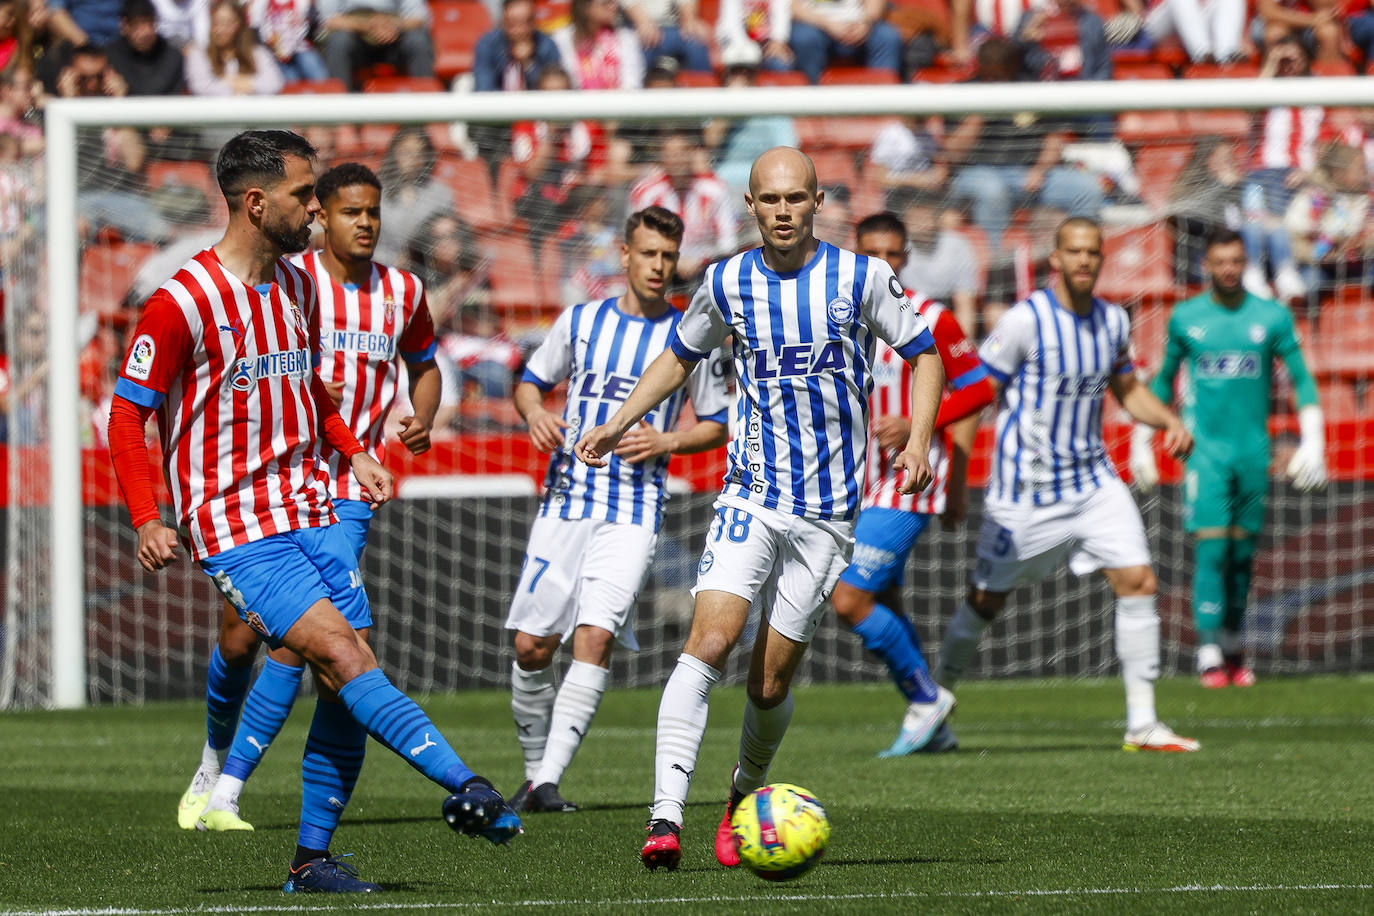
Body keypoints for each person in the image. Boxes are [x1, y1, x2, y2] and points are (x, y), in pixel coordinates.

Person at [107, 130, 519, 892]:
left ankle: (311, 859)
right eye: (305, 195)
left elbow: (309, 393)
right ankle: (468, 785)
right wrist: (146, 516)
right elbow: (126, 418)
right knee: (343, 654)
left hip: (313, 503)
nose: (316, 210)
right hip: (235, 523)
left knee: (340, 678)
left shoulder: (296, 288)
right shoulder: (182, 303)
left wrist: (350, 446)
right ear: (258, 203)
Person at [574, 146, 945, 871]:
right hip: (752, 492)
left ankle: (745, 794)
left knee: (770, 680)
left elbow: (925, 353)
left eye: (795, 199)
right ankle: (664, 817)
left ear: (818, 201)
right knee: (708, 642)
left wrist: (921, 440)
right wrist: (620, 421)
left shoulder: (862, 277)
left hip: (830, 513)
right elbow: (680, 356)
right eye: (769, 200)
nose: (782, 211)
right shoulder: (727, 281)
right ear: (749, 205)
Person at [185, 160, 446, 832]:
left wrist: (421, 417)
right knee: (241, 642)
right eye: (351, 212)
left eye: (374, 212)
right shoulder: (289, 281)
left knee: (315, 642)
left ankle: (229, 793)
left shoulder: (403, 292)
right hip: (269, 485)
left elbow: (425, 365)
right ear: (321, 216)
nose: (366, 224)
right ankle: (212, 761)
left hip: (345, 489)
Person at [933, 216, 1201, 754]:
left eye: (1092, 253)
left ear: (1100, 260)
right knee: (984, 602)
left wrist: (1167, 419)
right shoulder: (1024, 322)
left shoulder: (1111, 321)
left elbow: (1126, 389)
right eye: (1073, 252)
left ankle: (1143, 723)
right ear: (1054, 259)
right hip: (1026, 492)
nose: (1083, 261)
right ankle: (930, 705)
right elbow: (975, 397)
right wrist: (956, 479)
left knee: (1139, 581)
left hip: (1094, 482)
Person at [506, 205, 729, 814]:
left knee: (596, 636)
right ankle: (532, 773)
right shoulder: (581, 322)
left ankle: (549, 780)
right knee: (531, 645)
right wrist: (535, 413)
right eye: (648, 254)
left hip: (634, 508)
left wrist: (667, 441)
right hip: (565, 502)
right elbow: (529, 380)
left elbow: (717, 424)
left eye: (667, 256)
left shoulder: (690, 337)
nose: (659, 266)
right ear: (624, 256)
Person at [830, 212, 996, 757]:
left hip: (909, 480)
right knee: (888, 600)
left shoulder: (930, 316)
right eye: (872, 252)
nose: (884, 263)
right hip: (855, 481)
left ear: (907, 257)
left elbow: (978, 388)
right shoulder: (838, 315)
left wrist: (917, 427)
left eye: (894, 254)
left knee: (850, 597)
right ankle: (935, 726)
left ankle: (928, 698)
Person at [1132, 228, 1325, 688]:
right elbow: (1161, 384)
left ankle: (1235, 645)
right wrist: (1141, 439)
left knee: (1242, 556)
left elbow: (1301, 378)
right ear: (1207, 265)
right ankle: (1208, 653)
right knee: (1213, 549)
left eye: (1236, 261)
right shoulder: (1187, 318)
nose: (1229, 269)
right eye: (1220, 262)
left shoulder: (1271, 317)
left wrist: (1314, 440)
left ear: (1245, 262)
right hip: (1205, 452)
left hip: (1252, 452)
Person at [628, 127, 737, 282]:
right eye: (671, 153)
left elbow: (728, 242)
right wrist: (673, 260)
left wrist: (701, 260)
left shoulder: (715, 190)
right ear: (661, 156)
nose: (677, 159)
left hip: (707, 269)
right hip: (660, 268)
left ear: (693, 153)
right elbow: (638, 241)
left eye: (682, 152)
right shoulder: (646, 193)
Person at [317, 0, 434, 91]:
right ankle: (340, 114)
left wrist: (393, 25)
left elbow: (419, 17)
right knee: (339, 41)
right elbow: (329, 20)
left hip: (394, 33)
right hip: (355, 33)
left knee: (418, 41)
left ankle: (427, 110)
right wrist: (369, 26)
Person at [183, 0, 285, 96]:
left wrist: (236, 81)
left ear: (239, 25)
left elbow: (274, 83)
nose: (219, 30)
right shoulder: (198, 55)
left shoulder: (258, 53)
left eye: (227, 24)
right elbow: (201, 87)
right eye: (215, 23)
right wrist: (241, 87)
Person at [788, 0, 902, 84]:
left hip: (859, 23)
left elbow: (875, 3)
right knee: (805, 38)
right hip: (816, 24)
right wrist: (828, 25)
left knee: (887, 36)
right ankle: (810, 103)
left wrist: (866, 23)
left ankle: (882, 104)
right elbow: (793, 6)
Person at [551, 0, 644, 90]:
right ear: (585, 7)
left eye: (615, 2)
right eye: (607, 3)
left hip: (619, 102)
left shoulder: (625, 37)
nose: (614, 6)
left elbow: (631, 83)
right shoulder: (563, 39)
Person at [472, 0, 561, 91]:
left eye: (527, 22)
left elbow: (552, 90)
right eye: (513, 24)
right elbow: (484, 89)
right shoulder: (488, 44)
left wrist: (528, 65)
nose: (520, 30)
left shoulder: (546, 45)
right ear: (503, 22)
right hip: (497, 104)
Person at [103, 0, 186, 96]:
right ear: (125, 25)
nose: (146, 32)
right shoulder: (110, 57)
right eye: (138, 24)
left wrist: (126, 93)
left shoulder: (172, 57)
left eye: (150, 22)